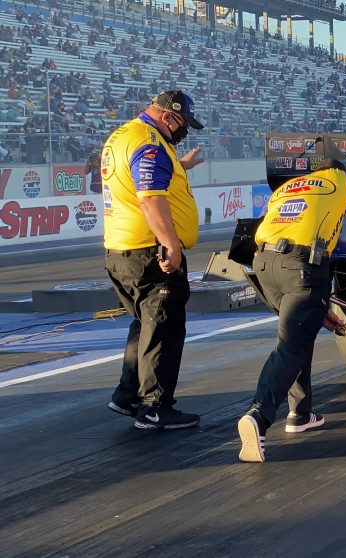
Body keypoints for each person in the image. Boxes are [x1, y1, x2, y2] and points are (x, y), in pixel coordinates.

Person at [237, 159, 346, 463]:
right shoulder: (339, 179)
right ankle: (259, 414)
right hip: (302, 266)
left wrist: (316, 309)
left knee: (295, 335)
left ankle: (299, 413)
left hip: (264, 263)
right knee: (291, 344)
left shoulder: (288, 187)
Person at [103, 90, 205, 429]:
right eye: (183, 124)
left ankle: (127, 394)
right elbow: (149, 197)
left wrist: (180, 166)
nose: (184, 132)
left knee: (144, 324)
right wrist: (170, 244)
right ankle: (155, 407)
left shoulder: (123, 135)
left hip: (121, 249)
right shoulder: (150, 142)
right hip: (150, 252)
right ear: (168, 117)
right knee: (164, 326)